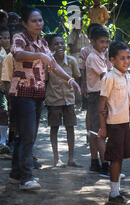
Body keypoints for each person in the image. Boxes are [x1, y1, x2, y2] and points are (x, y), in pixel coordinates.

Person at [8, 7, 80, 191]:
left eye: (40, 20)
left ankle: (16, 175)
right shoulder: (20, 37)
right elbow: (17, 53)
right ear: (24, 23)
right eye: (34, 21)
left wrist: (70, 79)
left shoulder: (42, 42)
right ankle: (27, 178)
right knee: (27, 136)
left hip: (38, 94)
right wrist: (39, 55)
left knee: (24, 135)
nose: (39, 24)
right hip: (22, 93)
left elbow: (53, 65)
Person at [98, 40, 130, 205]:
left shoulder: (127, 76)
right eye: (122, 58)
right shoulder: (109, 77)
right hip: (114, 124)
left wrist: (129, 116)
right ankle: (113, 194)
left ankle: (117, 191)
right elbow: (102, 106)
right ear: (112, 60)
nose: (126, 61)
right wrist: (103, 128)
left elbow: (127, 100)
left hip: (124, 122)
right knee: (115, 159)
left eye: (128, 57)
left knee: (120, 158)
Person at [44, 34, 81, 168]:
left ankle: (71, 158)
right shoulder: (48, 63)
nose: (60, 46)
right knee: (54, 128)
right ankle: (56, 158)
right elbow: (45, 81)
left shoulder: (71, 61)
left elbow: (77, 78)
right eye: (56, 44)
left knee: (70, 128)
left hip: (69, 100)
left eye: (62, 43)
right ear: (51, 47)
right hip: (54, 100)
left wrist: (78, 96)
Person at [86, 26, 110, 176]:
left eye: (107, 42)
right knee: (98, 132)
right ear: (92, 41)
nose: (105, 45)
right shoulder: (93, 57)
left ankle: (95, 162)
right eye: (102, 42)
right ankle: (105, 164)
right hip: (97, 97)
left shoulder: (101, 55)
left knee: (96, 131)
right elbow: (105, 76)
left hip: (100, 95)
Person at [0, 26, 10, 153]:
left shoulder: (5, 53)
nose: (6, 40)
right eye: (3, 38)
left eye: (8, 38)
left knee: (3, 113)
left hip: (2, 89)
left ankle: (2, 142)